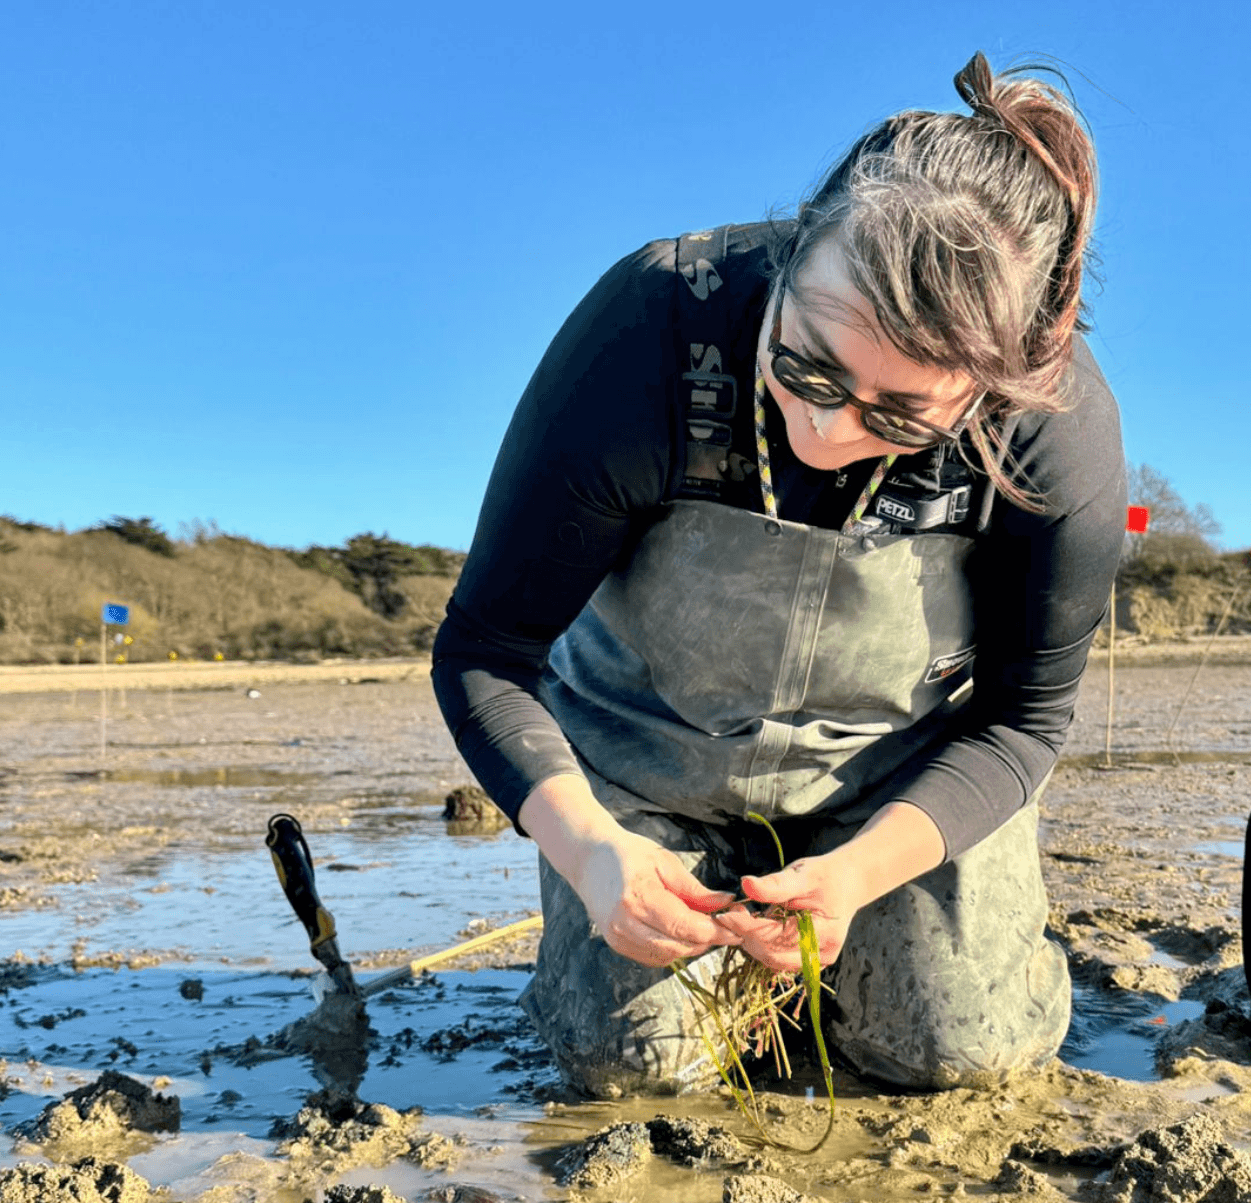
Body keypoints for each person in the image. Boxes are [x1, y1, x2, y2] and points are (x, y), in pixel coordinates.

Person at [432, 51, 1125, 1097]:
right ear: (794, 245)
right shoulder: (651, 327)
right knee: (634, 1070)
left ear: (996, 387)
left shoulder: (1051, 432)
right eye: (804, 365)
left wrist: (858, 874)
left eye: (897, 417)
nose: (823, 431)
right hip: (643, 766)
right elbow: (486, 652)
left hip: (892, 783)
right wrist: (587, 849)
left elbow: (1021, 723)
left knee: (953, 1050)